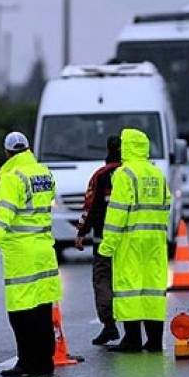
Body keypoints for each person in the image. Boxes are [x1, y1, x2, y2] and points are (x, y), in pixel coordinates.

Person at [0, 131, 63, 377]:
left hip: (22, 253)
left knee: (20, 312)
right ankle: (45, 363)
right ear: (27, 148)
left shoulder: (11, 177)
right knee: (43, 309)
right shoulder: (43, 172)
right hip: (44, 249)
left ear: (6, 152)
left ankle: (26, 362)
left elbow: (5, 216)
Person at [99, 128, 171, 353]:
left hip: (130, 240)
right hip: (156, 241)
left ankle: (132, 339)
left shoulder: (124, 174)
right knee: (152, 288)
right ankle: (155, 340)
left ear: (127, 147)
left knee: (130, 288)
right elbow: (167, 204)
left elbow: (117, 213)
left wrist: (107, 245)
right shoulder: (156, 173)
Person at [74, 135, 122, 346]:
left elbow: (90, 206)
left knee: (103, 280)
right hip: (131, 241)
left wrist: (81, 232)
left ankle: (109, 325)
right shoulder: (133, 174)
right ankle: (135, 329)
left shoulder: (101, 176)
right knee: (129, 282)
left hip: (104, 239)